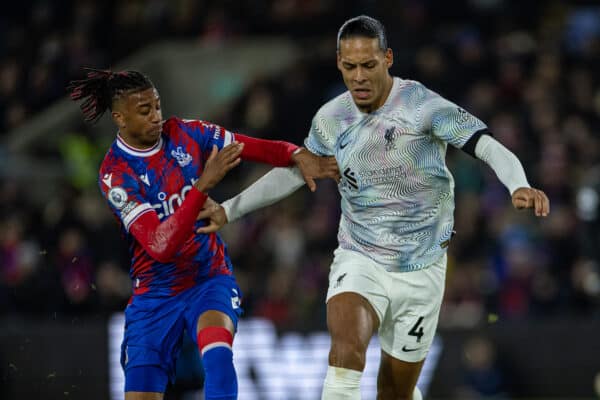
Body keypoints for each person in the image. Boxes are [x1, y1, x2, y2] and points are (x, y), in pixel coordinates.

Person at [197, 15, 550, 400]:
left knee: (395, 392)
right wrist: (229, 209)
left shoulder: (422, 106)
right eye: (350, 67)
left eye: (368, 65)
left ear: (388, 59)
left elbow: (486, 145)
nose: (359, 76)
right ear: (338, 64)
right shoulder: (332, 119)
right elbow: (299, 172)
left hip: (423, 268)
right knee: (345, 353)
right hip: (360, 257)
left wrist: (519, 184)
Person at [67, 67, 339, 400]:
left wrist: (296, 154)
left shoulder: (187, 134)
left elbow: (252, 147)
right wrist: (202, 185)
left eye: (157, 106)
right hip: (155, 293)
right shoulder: (115, 173)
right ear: (120, 118)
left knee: (219, 355)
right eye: (144, 111)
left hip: (207, 276)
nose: (156, 116)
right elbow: (159, 245)